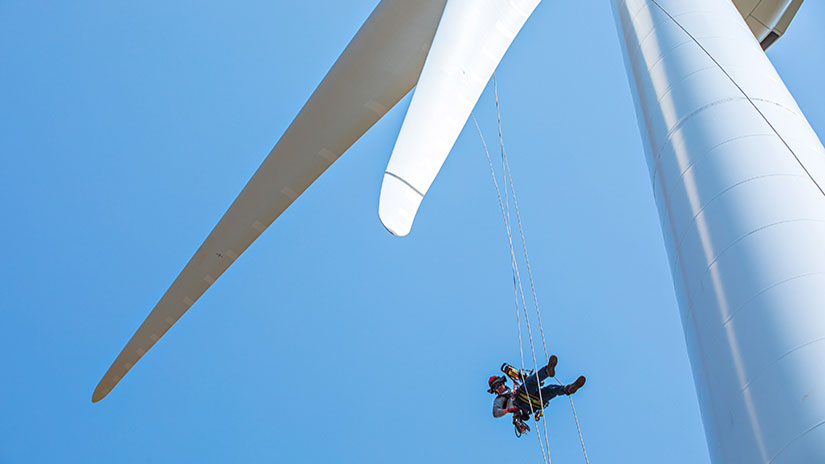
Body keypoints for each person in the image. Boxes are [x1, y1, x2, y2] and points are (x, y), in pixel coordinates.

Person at [489, 355, 585, 432]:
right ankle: (546, 371)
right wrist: (508, 410)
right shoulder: (500, 398)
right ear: (495, 391)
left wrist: (520, 375)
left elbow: (530, 380)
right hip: (521, 401)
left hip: (533, 401)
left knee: (550, 389)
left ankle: (568, 389)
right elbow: (496, 413)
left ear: (503, 383)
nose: (499, 387)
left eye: (500, 384)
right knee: (531, 382)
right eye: (496, 387)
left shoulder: (513, 388)